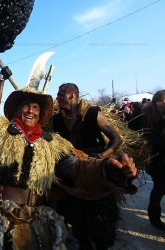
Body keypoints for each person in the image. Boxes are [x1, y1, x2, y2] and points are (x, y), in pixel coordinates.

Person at [0, 39, 138, 249]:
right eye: (25, 106)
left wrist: (108, 168)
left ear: (41, 115)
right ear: (15, 111)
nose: (31, 111)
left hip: (34, 224)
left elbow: (77, 169)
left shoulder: (52, 145)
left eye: (36, 108)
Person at [50, 83, 124, 249]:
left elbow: (116, 139)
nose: (57, 98)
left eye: (60, 95)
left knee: (102, 221)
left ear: (71, 95)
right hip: (73, 176)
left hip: (95, 174)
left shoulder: (93, 114)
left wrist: (102, 156)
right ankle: (83, 242)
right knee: (77, 217)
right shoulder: (56, 120)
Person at [141, 90, 165, 230]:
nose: (163, 103)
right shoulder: (148, 116)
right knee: (160, 188)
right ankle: (154, 217)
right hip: (156, 159)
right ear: (155, 102)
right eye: (160, 100)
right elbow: (147, 137)